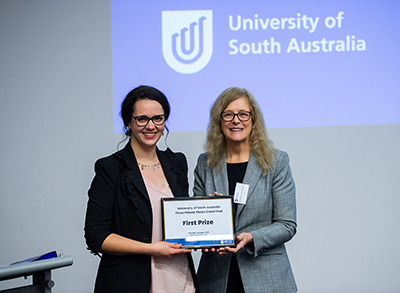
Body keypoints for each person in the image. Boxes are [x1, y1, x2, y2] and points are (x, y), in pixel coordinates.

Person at [84, 85, 197, 293]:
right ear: (128, 122)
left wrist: (211, 231)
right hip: (130, 282)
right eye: (142, 119)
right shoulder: (110, 168)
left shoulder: (177, 162)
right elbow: (96, 235)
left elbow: (183, 220)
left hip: (180, 280)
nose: (150, 126)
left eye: (158, 118)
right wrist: (151, 249)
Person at [193, 87, 297, 293]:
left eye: (243, 114)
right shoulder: (205, 163)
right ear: (219, 121)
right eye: (228, 114)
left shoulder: (277, 162)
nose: (236, 120)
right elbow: (197, 224)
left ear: (253, 119)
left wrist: (251, 237)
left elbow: (287, 225)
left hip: (267, 278)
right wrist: (208, 220)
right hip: (216, 279)